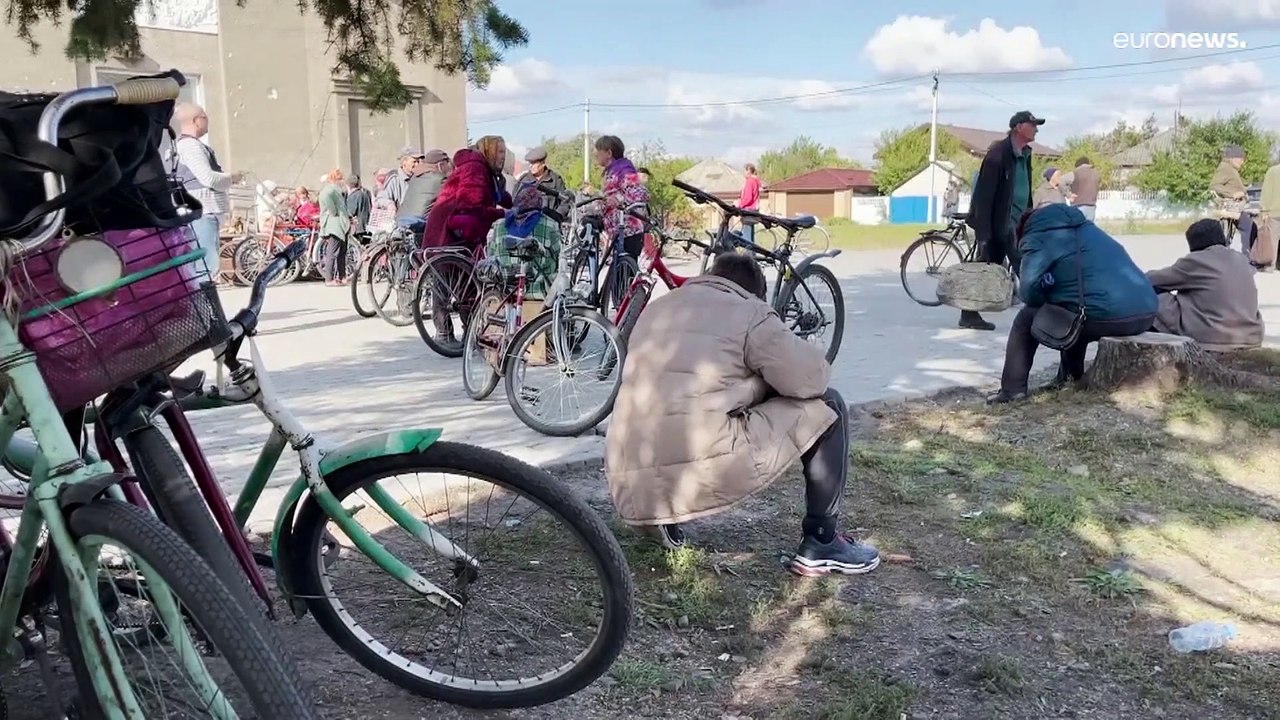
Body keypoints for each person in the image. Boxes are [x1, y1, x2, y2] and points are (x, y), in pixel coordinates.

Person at [605, 251, 881, 574]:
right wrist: (761, 383)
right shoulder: (750, 312)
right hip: (695, 463)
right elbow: (811, 378)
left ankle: (658, 518)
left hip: (624, 473)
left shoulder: (658, 309)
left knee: (686, 409)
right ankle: (822, 541)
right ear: (756, 291)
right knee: (829, 405)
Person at [988, 204, 1157, 404]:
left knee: (1026, 319)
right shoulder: (1089, 230)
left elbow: (1027, 292)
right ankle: (1068, 377)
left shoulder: (1038, 237)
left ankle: (1012, 390)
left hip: (1110, 317)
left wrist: (1047, 292)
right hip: (1146, 312)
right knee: (1070, 307)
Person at [421, 136, 512, 340]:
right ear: (488, 151)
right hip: (449, 233)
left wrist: (517, 204)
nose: (502, 156)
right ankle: (450, 334)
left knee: (455, 282)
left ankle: (464, 333)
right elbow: (471, 204)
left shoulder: (484, 170)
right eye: (499, 152)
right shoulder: (475, 168)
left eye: (504, 152)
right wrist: (503, 214)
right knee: (457, 283)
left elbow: (497, 196)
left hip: (449, 230)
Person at [962, 110, 1041, 332]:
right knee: (1025, 268)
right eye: (1032, 124)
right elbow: (984, 195)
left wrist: (1030, 215)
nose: (1036, 128)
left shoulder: (1025, 154)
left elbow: (1025, 190)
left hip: (1018, 221)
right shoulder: (998, 154)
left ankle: (968, 313)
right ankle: (1040, 315)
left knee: (990, 269)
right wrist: (983, 233)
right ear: (1018, 127)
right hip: (1002, 224)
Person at [1147, 219, 1263, 349]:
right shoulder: (1240, 259)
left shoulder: (1196, 261)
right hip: (1251, 336)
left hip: (1214, 339)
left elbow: (1152, 279)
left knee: (1153, 297)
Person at [173, 102, 238, 273]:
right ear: (196, 121)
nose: (207, 120)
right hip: (202, 212)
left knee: (202, 265)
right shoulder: (190, 146)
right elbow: (208, 178)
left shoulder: (187, 145)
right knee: (206, 266)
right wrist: (232, 178)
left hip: (200, 212)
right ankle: (205, 298)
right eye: (205, 117)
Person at [487, 184, 561, 300]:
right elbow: (558, 260)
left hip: (505, 295)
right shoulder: (550, 225)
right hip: (539, 297)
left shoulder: (499, 225)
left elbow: (491, 256)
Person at [595, 135, 650, 259]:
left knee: (625, 275)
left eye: (599, 151)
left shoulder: (624, 170)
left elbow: (639, 193)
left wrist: (617, 200)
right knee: (618, 275)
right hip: (617, 231)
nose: (596, 155)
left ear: (609, 153)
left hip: (628, 230)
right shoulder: (612, 171)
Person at [396, 149, 449, 232]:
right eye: (447, 163)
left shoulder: (415, 177)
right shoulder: (440, 179)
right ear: (440, 165)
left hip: (400, 221)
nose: (448, 167)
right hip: (419, 226)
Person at [517, 146, 571, 219]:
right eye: (529, 163)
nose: (530, 166)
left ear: (543, 164)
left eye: (533, 163)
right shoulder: (523, 180)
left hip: (550, 225)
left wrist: (557, 216)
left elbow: (565, 202)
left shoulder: (555, 180)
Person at [318, 169, 351, 286]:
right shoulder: (330, 189)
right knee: (333, 252)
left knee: (342, 251)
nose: (342, 181)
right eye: (340, 178)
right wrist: (333, 211)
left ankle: (342, 276)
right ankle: (329, 278)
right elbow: (325, 197)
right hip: (335, 225)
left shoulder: (335, 190)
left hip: (340, 224)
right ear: (335, 179)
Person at [1061, 157, 1100, 221]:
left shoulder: (1075, 173)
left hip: (1078, 206)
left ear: (1077, 165)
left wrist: (1068, 194)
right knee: (1088, 229)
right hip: (1092, 207)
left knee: (1077, 229)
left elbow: (1061, 181)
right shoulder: (1096, 174)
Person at [739, 163, 763, 243]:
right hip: (753, 211)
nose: (743, 173)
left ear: (748, 171)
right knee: (751, 236)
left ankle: (748, 254)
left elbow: (748, 197)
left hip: (748, 211)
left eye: (744, 171)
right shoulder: (755, 181)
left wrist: (740, 205)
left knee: (746, 238)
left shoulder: (750, 181)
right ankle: (752, 254)